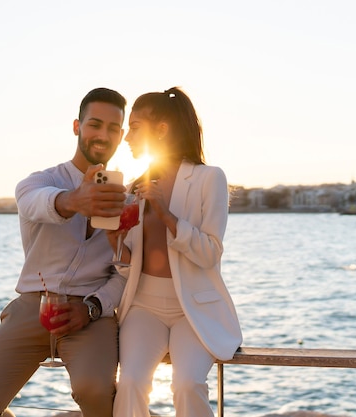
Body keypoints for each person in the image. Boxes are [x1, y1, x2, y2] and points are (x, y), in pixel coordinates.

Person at [0, 87, 128, 417]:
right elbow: (33, 203)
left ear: (121, 135)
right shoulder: (39, 181)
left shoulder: (128, 199)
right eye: (94, 124)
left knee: (95, 392)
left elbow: (125, 274)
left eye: (112, 128)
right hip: (33, 306)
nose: (102, 135)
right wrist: (73, 200)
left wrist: (92, 308)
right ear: (77, 127)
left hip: (89, 315)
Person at [108, 87, 242, 417]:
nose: (127, 137)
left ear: (162, 129)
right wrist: (117, 246)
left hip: (192, 311)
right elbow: (129, 266)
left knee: (187, 385)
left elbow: (210, 252)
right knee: (130, 384)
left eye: (135, 126)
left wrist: (167, 215)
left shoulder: (210, 178)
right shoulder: (134, 188)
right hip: (143, 306)